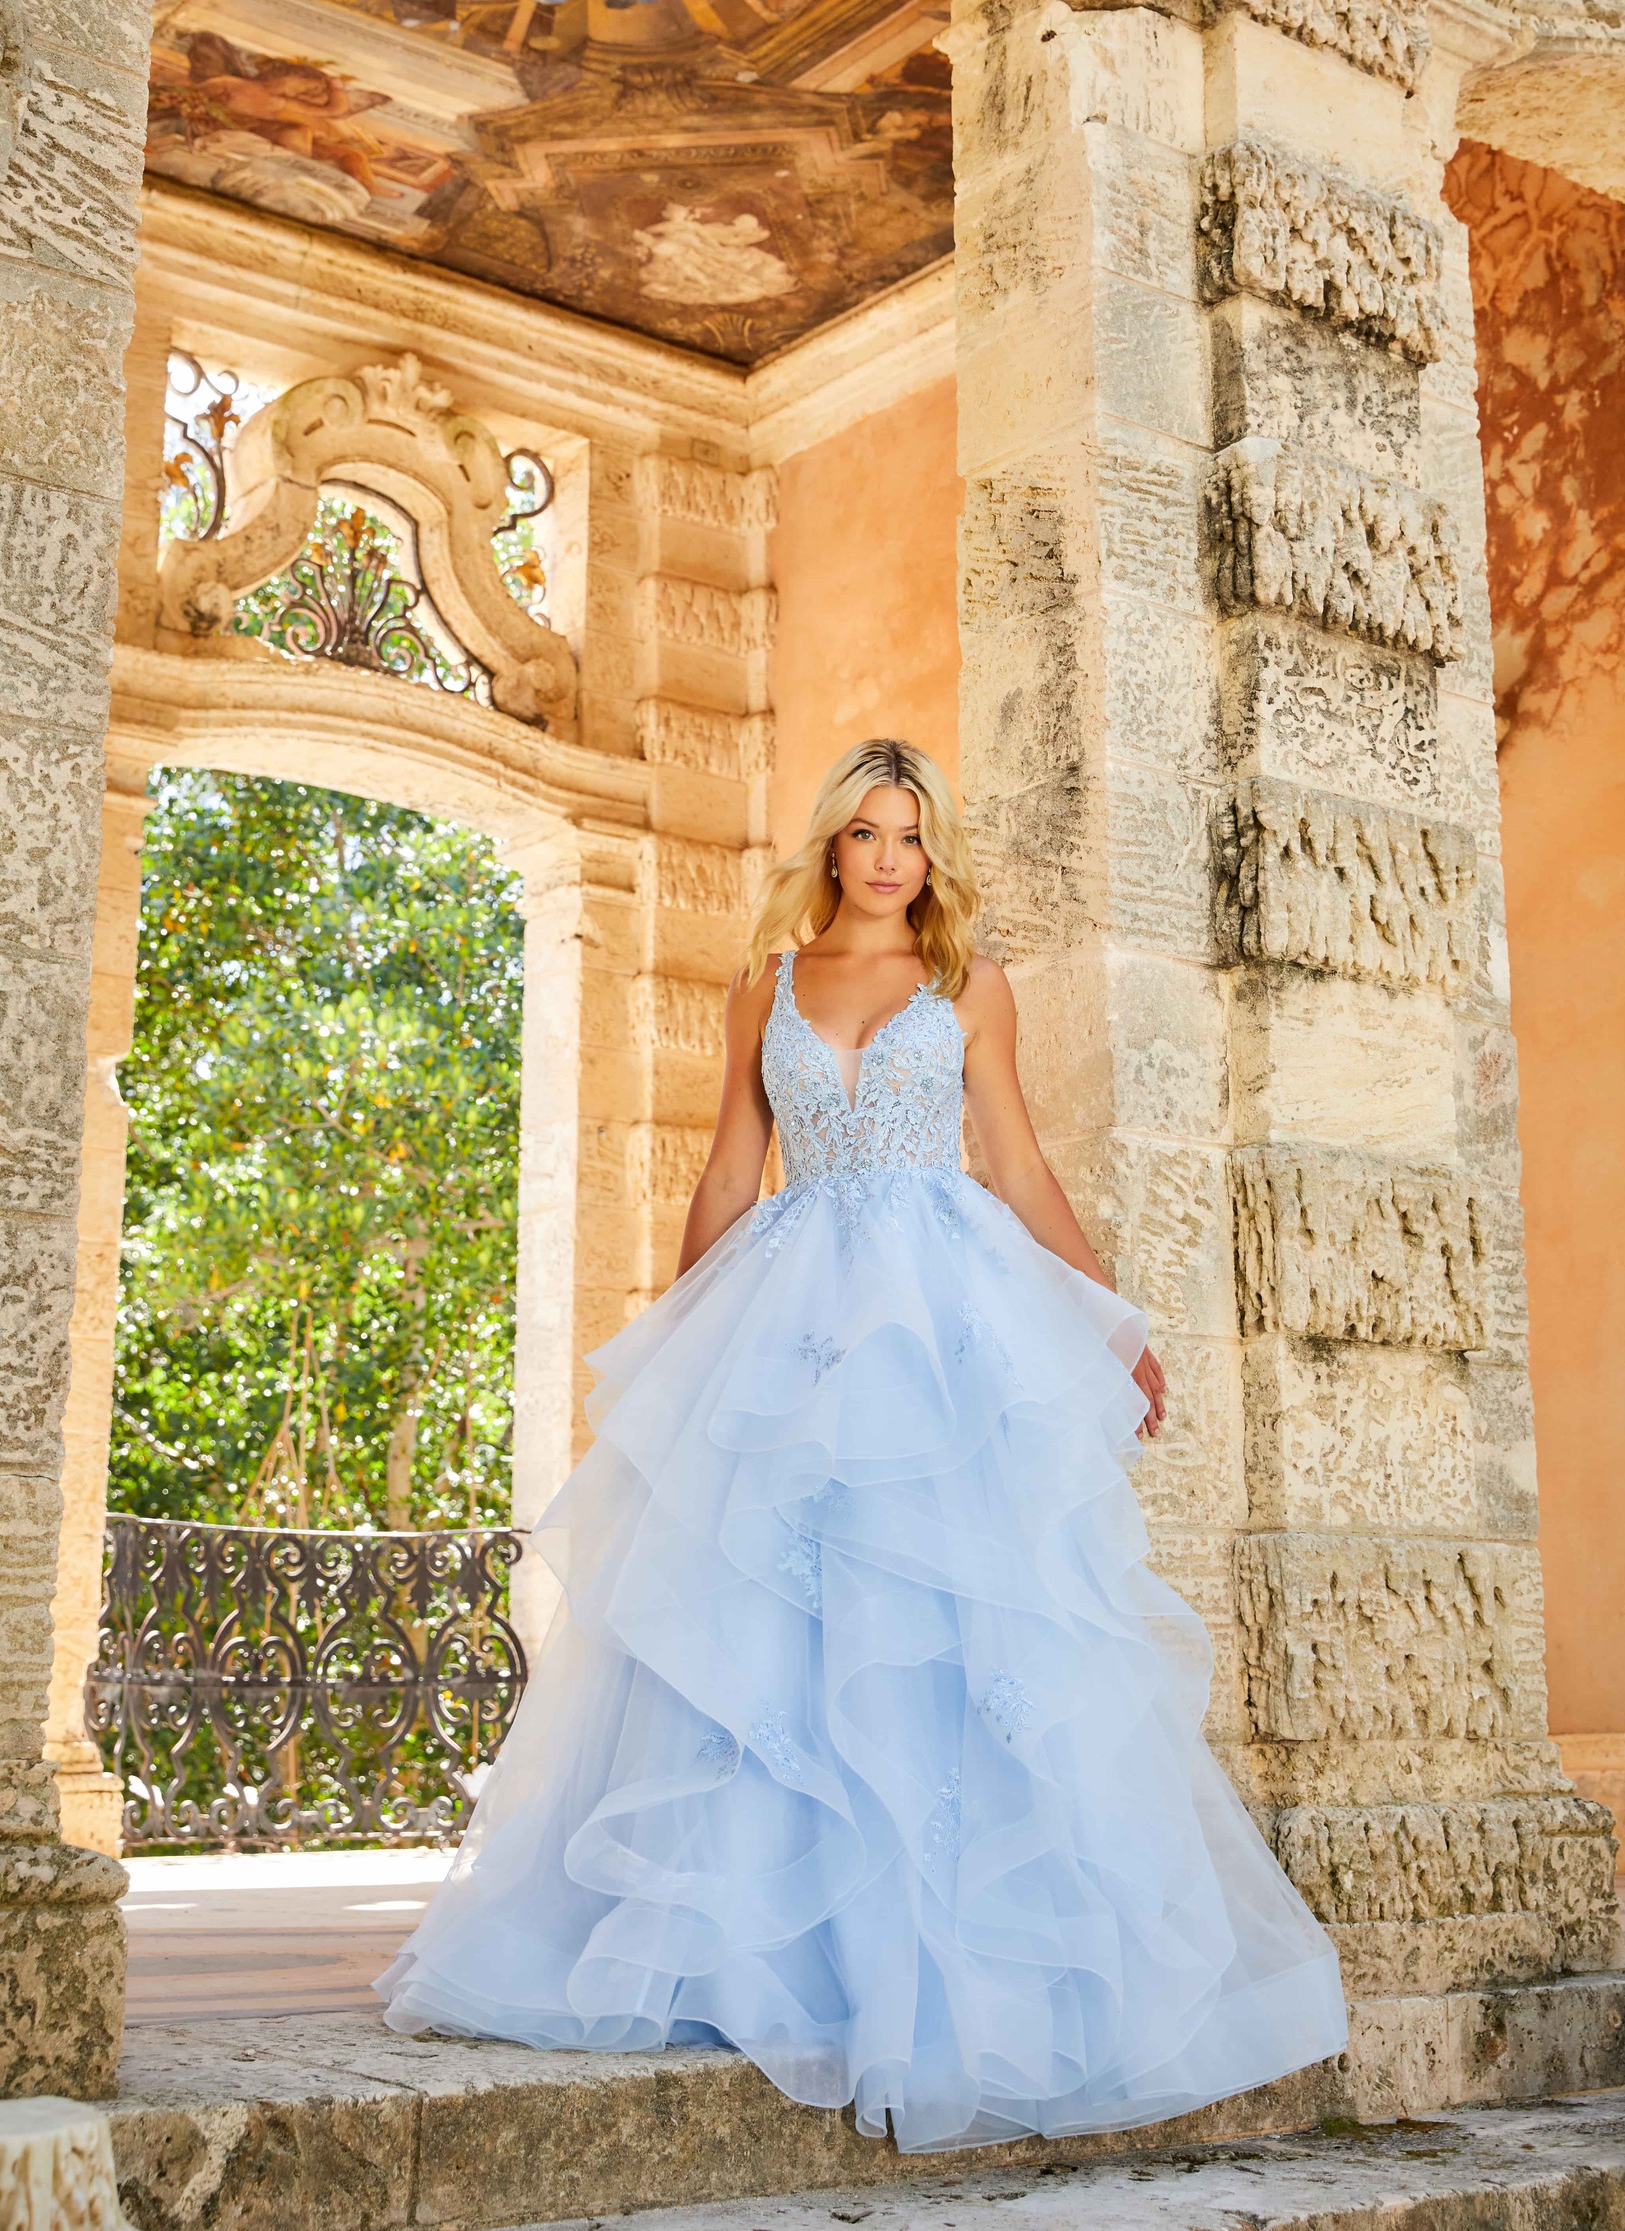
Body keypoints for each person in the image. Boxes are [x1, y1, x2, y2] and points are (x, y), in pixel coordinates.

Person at [376, 739, 1348, 2151]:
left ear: (928, 853)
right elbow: (726, 1165)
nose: (891, 856)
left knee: (938, 1613)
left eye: (912, 835)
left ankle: (943, 1969)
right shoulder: (760, 984)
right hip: (780, 1307)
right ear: (831, 847)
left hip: (937, 1314)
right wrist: (673, 1349)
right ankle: (766, 1957)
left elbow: (1011, 1161)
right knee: (767, 1622)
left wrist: (1108, 1325)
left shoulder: (966, 989)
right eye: (868, 833)